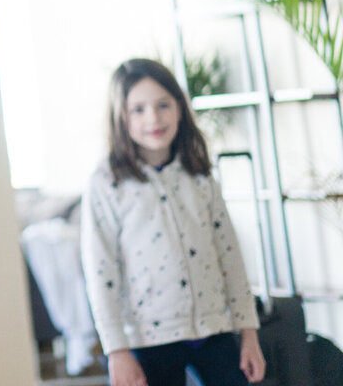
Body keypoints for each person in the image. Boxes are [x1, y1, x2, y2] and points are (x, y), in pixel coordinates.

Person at [80, 58, 266, 386]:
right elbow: (101, 273)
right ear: (120, 117)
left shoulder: (200, 176)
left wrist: (248, 332)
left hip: (214, 330)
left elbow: (230, 255)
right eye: (138, 109)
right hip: (149, 340)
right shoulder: (107, 183)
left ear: (179, 108)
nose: (153, 118)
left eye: (163, 105)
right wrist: (116, 351)